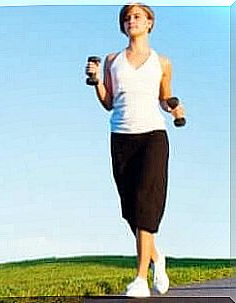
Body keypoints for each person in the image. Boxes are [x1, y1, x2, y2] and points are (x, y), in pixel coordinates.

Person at [86, 2, 185, 298]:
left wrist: (176, 109)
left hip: (153, 136)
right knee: (131, 209)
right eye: (127, 18)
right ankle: (157, 258)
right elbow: (108, 102)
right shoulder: (112, 59)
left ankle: (141, 278)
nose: (132, 20)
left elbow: (165, 97)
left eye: (138, 16)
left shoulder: (162, 62)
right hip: (121, 137)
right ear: (123, 25)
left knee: (146, 201)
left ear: (150, 23)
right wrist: (94, 82)